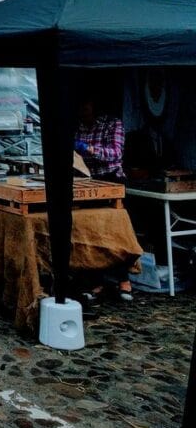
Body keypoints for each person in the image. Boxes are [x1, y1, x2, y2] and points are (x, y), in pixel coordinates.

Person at [76, 98, 133, 302]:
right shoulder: (80, 126)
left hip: (112, 179)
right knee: (91, 232)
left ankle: (123, 280)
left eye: (86, 106)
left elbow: (116, 153)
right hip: (89, 180)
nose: (83, 111)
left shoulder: (113, 124)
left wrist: (90, 149)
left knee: (116, 232)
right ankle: (96, 282)